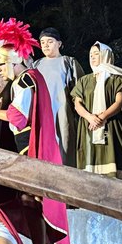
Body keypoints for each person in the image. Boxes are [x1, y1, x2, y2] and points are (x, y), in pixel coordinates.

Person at [0, 17, 72, 244]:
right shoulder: (32, 78)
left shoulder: (25, 80)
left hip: (34, 152)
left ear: (15, 59)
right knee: (30, 203)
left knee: (43, 203)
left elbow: (19, 118)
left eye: (0, 64)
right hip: (30, 150)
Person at [71, 42, 122, 178]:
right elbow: (77, 104)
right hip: (88, 128)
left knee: (113, 169)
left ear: (105, 56)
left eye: (96, 54)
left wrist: (101, 117)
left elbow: (119, 101)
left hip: (110, 127)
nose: (92, 57)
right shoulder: (84, 80)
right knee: (89, 172)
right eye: (91, 54)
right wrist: (90, 117)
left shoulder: (117, 79)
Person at [33, 27, 85, 167]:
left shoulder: (68, 62)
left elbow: (80, 90)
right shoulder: (36, 65)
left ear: (59, 44)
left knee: (64, 145)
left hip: (62, 112)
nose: (45, 45)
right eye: (42, 42)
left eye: (50, 41)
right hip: (41, 114)